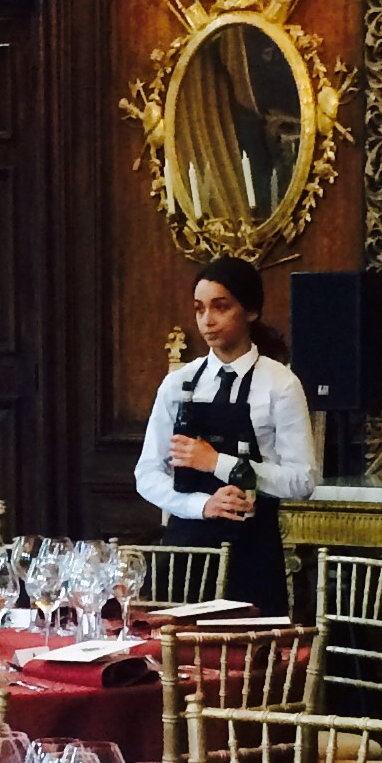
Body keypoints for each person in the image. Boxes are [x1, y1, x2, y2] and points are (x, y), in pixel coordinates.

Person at [134, 256, 318, 616]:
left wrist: (218, 462)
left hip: (252, 551)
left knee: (250, 666)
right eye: (199, 309)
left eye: (221, 307)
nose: (207, 320)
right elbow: (147, 474)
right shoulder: (177, 385)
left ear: (250, 311)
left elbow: (303, 479)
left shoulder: (280, 384)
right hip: (185, 552)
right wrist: (201, 506)